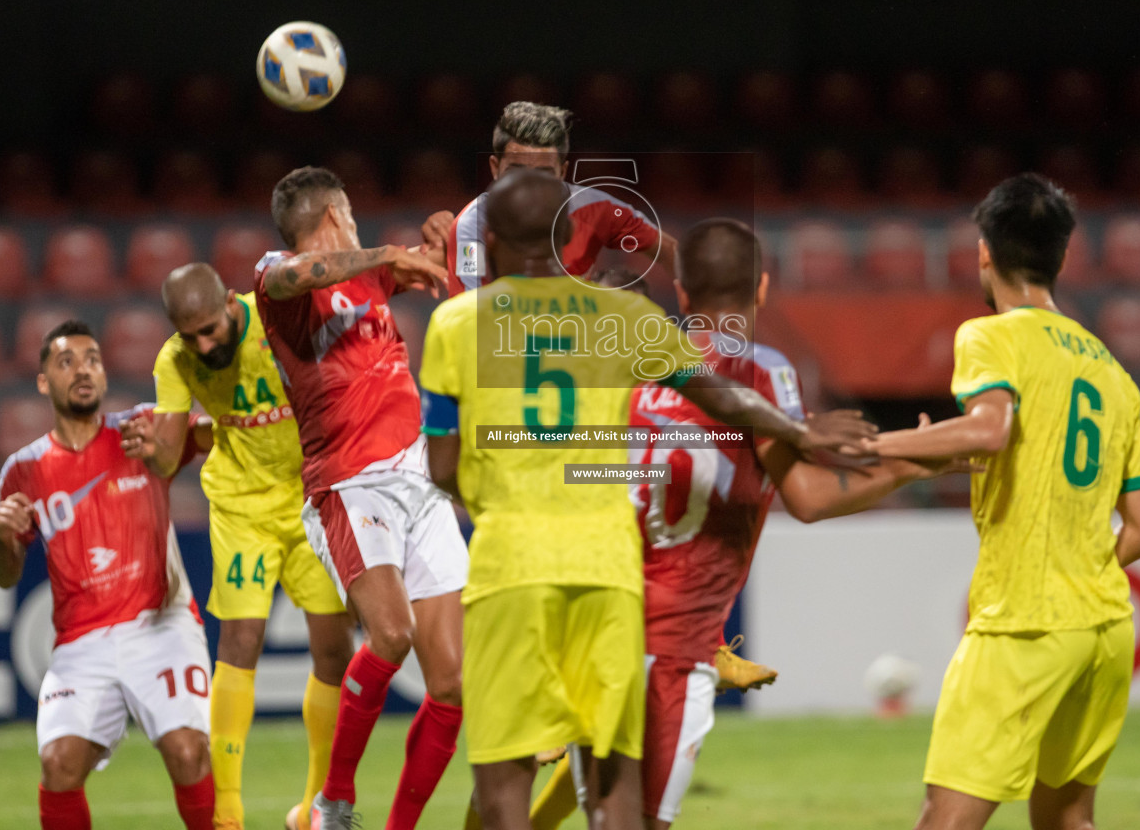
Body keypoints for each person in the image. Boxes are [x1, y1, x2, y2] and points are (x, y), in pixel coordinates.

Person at [418, 168, 879, 830]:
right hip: (609, 578)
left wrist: (509, 478)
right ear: (565, 235)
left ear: (488, 243)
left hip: (509, 572)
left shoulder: (457, 323)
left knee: (504, 788)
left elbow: (441, 466)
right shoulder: (624, 315)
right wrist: (799, 429)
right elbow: (717, 392)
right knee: (618, 791)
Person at [526, 226, 974, 830]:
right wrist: (916, 463)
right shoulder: (758, 368)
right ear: (761, 288)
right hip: (672, 644)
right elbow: (809, 497)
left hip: (588, 626)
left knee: (602, 816)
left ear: (681, 293)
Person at [871, 174, 1140, 830]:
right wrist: (1082, 579)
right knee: (1067, 819)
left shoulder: (989, 337)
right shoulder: (1112, 370)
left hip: (1022, 623)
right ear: (1061, 258)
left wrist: (872, 444)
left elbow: (990, 429)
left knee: (943, 821)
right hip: (1106, 631)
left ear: (983, 251)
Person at [253, 166, 465, 830]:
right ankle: (334, 802)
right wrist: (387, 254)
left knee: (453, 685)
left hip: (419, 481)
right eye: (349, 213)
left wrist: (449, 238)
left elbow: (442, 270)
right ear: (336, 213)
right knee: (392, 633)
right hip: (349, 482)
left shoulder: (372, 275)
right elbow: (300, 276)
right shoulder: (275, 277)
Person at [127, 261, 355, 830]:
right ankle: (226, 811)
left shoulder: (275, 321)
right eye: (190, 335)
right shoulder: (175, 362)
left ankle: (315, 810)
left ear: (231, 305)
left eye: (210, 329)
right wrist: (151, 446)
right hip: (241, 507)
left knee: (334, 652)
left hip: (311, 500)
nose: (204, 344)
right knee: (240, 640)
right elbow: (167, 455)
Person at [0, 320, 215, 830]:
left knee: (187, 751)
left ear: (105, 376)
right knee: (58, 764)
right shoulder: (22, 471)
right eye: (66, 361)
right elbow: (3, 577)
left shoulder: (141, 428)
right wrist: (2, 540)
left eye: (92, 359)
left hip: (161, 624)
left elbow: (216, 432)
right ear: (43, 381)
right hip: (81, 643)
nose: (82, 369)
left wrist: (166, 446)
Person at [421, 101, 679, 296]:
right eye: (517, 172)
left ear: (563, 173)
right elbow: (471, 316)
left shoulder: (598, 209)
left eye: (544, 175)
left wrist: (705, 320)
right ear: (494, 169)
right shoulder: (472, 225)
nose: (530, 189)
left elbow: (670, 251)